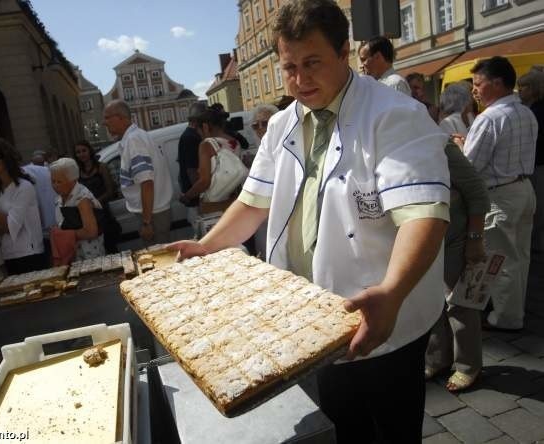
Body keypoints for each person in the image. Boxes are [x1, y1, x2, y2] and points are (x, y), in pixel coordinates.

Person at [167, 1, 450, 442]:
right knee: (344, 425)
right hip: (315, 320)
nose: (300, 80)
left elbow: (424, 214)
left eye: (312, 63)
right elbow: (253, 203)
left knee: (394, 428)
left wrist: (393, 290)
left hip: (386, 314)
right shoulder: (281, 125)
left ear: (344, 51)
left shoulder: (394, 115)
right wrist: (208, 247)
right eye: (289, 67)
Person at [462, 56, 537, 331]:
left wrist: (460, 146)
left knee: (500, 259)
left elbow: (470, 166)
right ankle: (514, 309)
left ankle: (506, 318)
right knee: (520, 256)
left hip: (499, 195)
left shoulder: (490, 118)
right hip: (524, 189)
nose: (474, 90)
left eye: (477, 84)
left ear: (496, 83)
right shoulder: (526, 112)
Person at [425, 140, 490, 392]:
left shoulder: (440, 145)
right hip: (422, 236)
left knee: (458, 302)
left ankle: (468, 365)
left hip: (453, 234)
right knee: (429, 300)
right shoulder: (387, 141)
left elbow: (477, 191)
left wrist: (475, 239)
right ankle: (437, 358)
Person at [103, 99, 173, 246]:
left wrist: (147, 223)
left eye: (107, 117)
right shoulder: (136, 136)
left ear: (121, 117)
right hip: (153, 212)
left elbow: (146, 182)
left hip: (152, 215)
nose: (105, 122)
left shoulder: (134, 140)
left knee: (158, 261)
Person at [178, 106, 244, 212]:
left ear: (204, 127)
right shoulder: (235, 142)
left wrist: (187, 196)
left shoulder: (207, 145)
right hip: (232, 200)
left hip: (214, 204)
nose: (199, 134)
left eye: (198, 130)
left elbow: (204, 181)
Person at [0, 138, 45, 275]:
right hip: (8, 254)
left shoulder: (23, 187)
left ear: (5, 159)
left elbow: (11, 226)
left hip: (29, 254)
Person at [50, 158, 105, 261]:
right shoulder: (59, 198)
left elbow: (91, 231)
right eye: (53, 181)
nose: (55, 185)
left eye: (59, 181)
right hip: (73, 255)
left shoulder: (82, 198)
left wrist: (63, 235)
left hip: (89, 257)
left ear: (73, 180)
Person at [74, 140, 119, 253]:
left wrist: (94, 203)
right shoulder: (77, 172)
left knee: (110, 248)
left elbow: (110, 191)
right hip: (87, 216)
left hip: (103, 214)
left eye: (84, 150)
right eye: (78, 152)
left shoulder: (101, 167)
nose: (81, 154)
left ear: (89, 150)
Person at [517, 69, 544, 253]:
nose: (519, 90)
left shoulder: (537, 111)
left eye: (524, 86)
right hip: (533, 166)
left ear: (534, 88)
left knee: (538, 212)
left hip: (538, 166)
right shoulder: (528, 109)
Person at [250, 103, 279, 259]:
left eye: (265, 123)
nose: (260, 128)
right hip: (262, 220)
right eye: (255, 125)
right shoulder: (259, 149)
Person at [178, 103, 206, 225]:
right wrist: (201, 196)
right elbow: (192, 171)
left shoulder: (188, 135)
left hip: (194, 200)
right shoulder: (191, 138)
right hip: (197, 203)